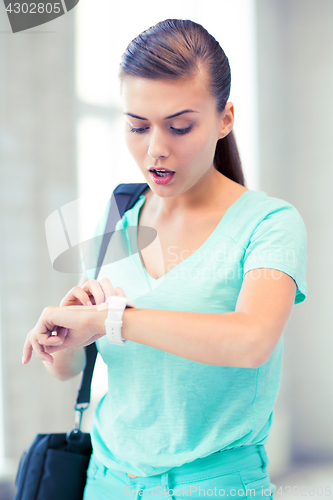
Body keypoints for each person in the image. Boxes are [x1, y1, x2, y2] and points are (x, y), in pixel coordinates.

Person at [22, 19, 307, 500]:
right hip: (105, 483)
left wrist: (114, 319)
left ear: (225, 119)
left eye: (179, 126)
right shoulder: (117, 214)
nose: (155, 148)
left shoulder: (269, 223)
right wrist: (64, 339)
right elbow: (73, 369)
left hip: (213, 488)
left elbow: (250, 341)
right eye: (137, 126)